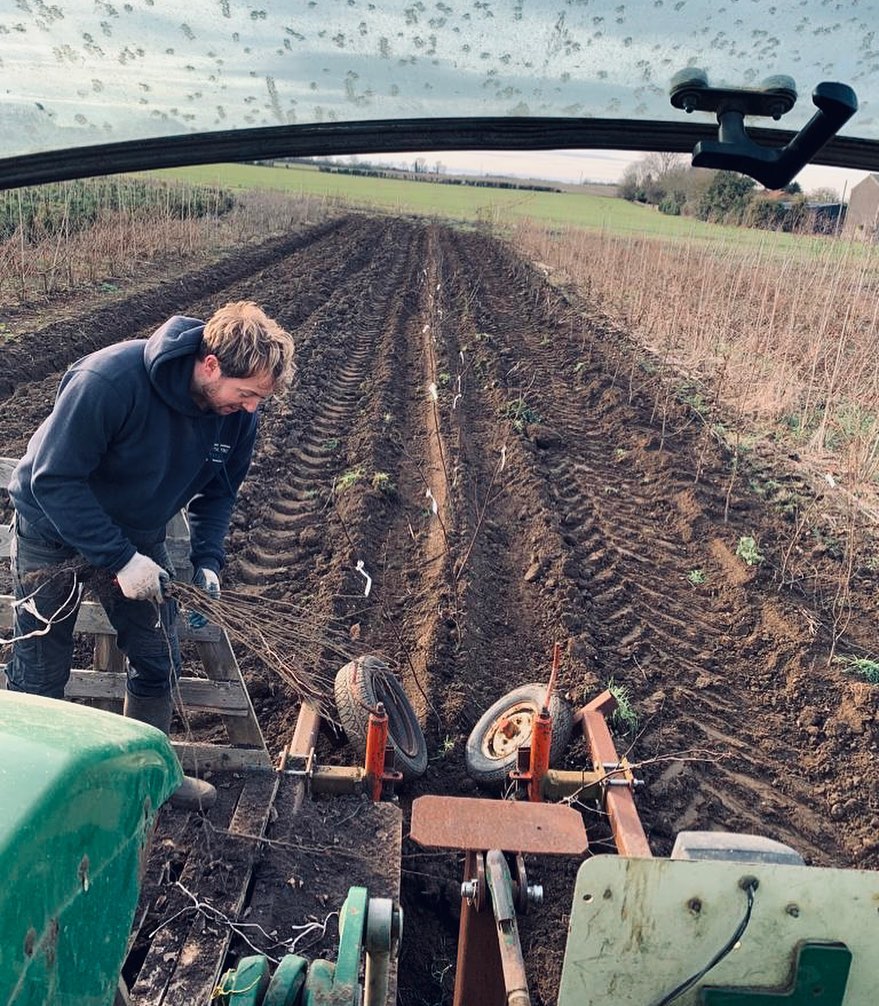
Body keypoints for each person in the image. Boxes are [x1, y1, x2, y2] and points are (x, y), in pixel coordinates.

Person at [5, 300, 295, 809]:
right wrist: (120, 560)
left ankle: (146, 776)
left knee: (159, 658)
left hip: (137, 533)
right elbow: (53, 480)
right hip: (52, 530)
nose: (252, 408)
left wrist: (208, 561)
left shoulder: (235, 419)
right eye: (246, 393)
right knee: (39, 671)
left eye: (259, 398)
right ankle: (29, 794)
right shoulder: (109, 381)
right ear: (210, 366)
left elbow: (219, 494)